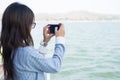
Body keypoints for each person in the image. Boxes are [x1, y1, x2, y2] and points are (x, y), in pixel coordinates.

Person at [0, 2, 65, 80]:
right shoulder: (26, 52)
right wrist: (60, 39)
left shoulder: (11, 48)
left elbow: (34, 61)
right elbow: (55, 66)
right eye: (32, 23)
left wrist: (45, 42)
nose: (31, 28)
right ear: (23, 25)